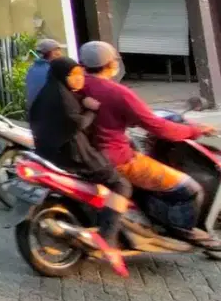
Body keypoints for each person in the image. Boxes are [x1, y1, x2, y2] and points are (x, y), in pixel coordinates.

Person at [78, 40, 221, 250]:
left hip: (87, 155)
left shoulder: (77, 85)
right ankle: (182, 232)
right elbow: (159, 128)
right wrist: (197, 130)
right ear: (110, 65)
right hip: (117, 158)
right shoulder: (117, 93)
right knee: (190, 189)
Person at [29, 57, 130, 277]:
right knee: (121, 185)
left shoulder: (50, 92)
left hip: (50, 153)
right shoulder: (64, 99)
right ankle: (108, 237)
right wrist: (91, 109)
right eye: (74, 74)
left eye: (80, 73)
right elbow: (78, 124)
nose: (79, 78)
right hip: (74, 156)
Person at [25, 38, 65, 111]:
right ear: (53, 53)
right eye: (58, 50)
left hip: (34, 114)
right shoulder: (54, 70)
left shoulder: (31, 69)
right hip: (50, 113)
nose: (61, 54)